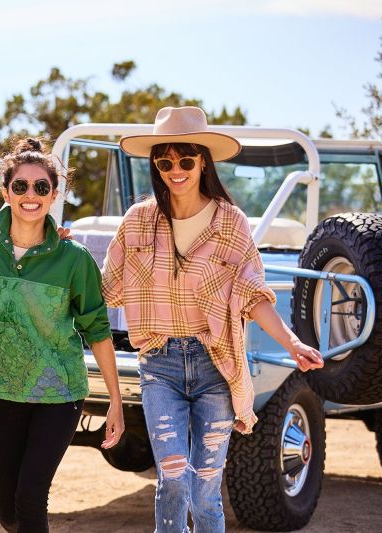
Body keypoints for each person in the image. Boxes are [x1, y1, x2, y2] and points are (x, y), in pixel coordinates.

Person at [101, 106, 324, 533]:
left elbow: (253, 296)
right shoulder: (138, 222)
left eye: (186, 160)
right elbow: (103, 287)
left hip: (216, 366)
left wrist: (293, 343)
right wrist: (56, 254)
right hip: (159, 364)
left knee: (205, 488)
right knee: (172, 476)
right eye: (165, 161)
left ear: (203, 161)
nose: (175, 170)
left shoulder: (230, 223)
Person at [0, 137, 125, 533]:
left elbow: (97, 329)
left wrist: (114, 399)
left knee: (30, 497)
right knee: (7, 511)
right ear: (5, 191)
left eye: (41, 187)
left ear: (55, 193)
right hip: (3, 389)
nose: (31, 195)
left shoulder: (73, 259)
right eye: (21, 186)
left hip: (58, 393)